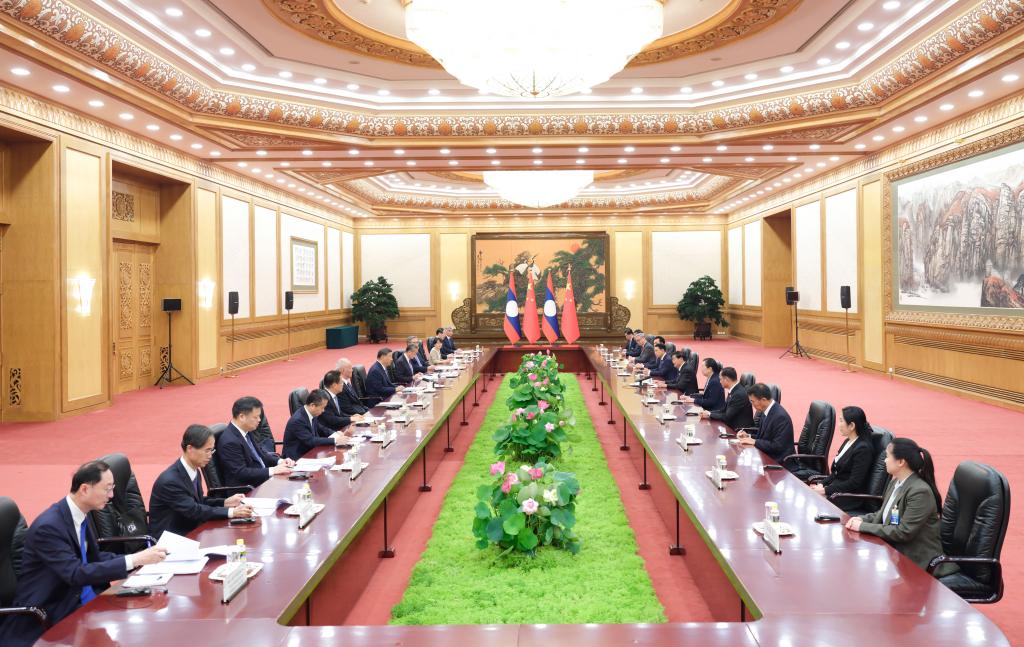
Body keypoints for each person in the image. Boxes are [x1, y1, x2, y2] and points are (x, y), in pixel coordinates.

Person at [0, 462, 167, 646]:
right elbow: (75, 573)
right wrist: (133, 560)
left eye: (112, 488)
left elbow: (94, 559)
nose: (111, 495)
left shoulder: (79, 515)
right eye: (107, 489)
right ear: (85, 489)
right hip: (50, 613)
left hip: (85, 600)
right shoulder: (48, 527)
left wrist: (142, 559)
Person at [845, 438, 955, 574]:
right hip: (894, 551)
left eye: (887, 456)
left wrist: (862, 527)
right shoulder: (895, 483)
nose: (885, 461)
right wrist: (862, 519)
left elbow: (903, 532)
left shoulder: (920, 492)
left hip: (917, 560)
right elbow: (885, 515)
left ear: (901, 462)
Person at [148, 425, 254, 539]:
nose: (210, 456)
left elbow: (198, 501)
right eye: (207, 450)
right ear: (190, 449)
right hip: (170, 540)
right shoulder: (170, 482)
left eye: (211, 450)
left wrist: (225, 502)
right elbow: (194, 510)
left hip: (190, 530)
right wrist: (232, 512)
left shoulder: (194, 469)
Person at [216, 396, 294, 487]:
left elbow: (261, 454)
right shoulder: (230, 442)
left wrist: (280, 461)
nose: (259, 420)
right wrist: (273, 470)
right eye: (255, 417)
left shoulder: (246, 430)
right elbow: (241, 473)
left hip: (262, 479)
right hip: (248, 488)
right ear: (242, 417)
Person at [809, 406, 873, 511]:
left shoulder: (863, 449)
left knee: (812, 503)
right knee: (809, 494)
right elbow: (835, 473)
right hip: (837, 490)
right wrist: (821, 484)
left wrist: (826, 490)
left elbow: (854, 483)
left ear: (852, 426)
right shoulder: (848, 441)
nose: (838, 424)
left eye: (841, 421)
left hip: (849, 496)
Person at [736, 383, 794, 468]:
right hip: (767, 455)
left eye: (753, 401)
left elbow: (778, 446)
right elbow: (764, 436)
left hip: (780, 462)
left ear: (763, 400)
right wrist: (748, 436)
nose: (752, 404)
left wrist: (755, 441)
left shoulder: (780, 417)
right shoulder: (766, 410)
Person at [283, 390, 343, 460]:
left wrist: (335, 434)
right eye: (322, 407)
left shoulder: (310, 413)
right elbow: (310, 441)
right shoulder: (298, 420)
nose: (323, 410)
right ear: (312, 405)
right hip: (297, 458)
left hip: (310, 451)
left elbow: (320, 428)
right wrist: (335, 440)